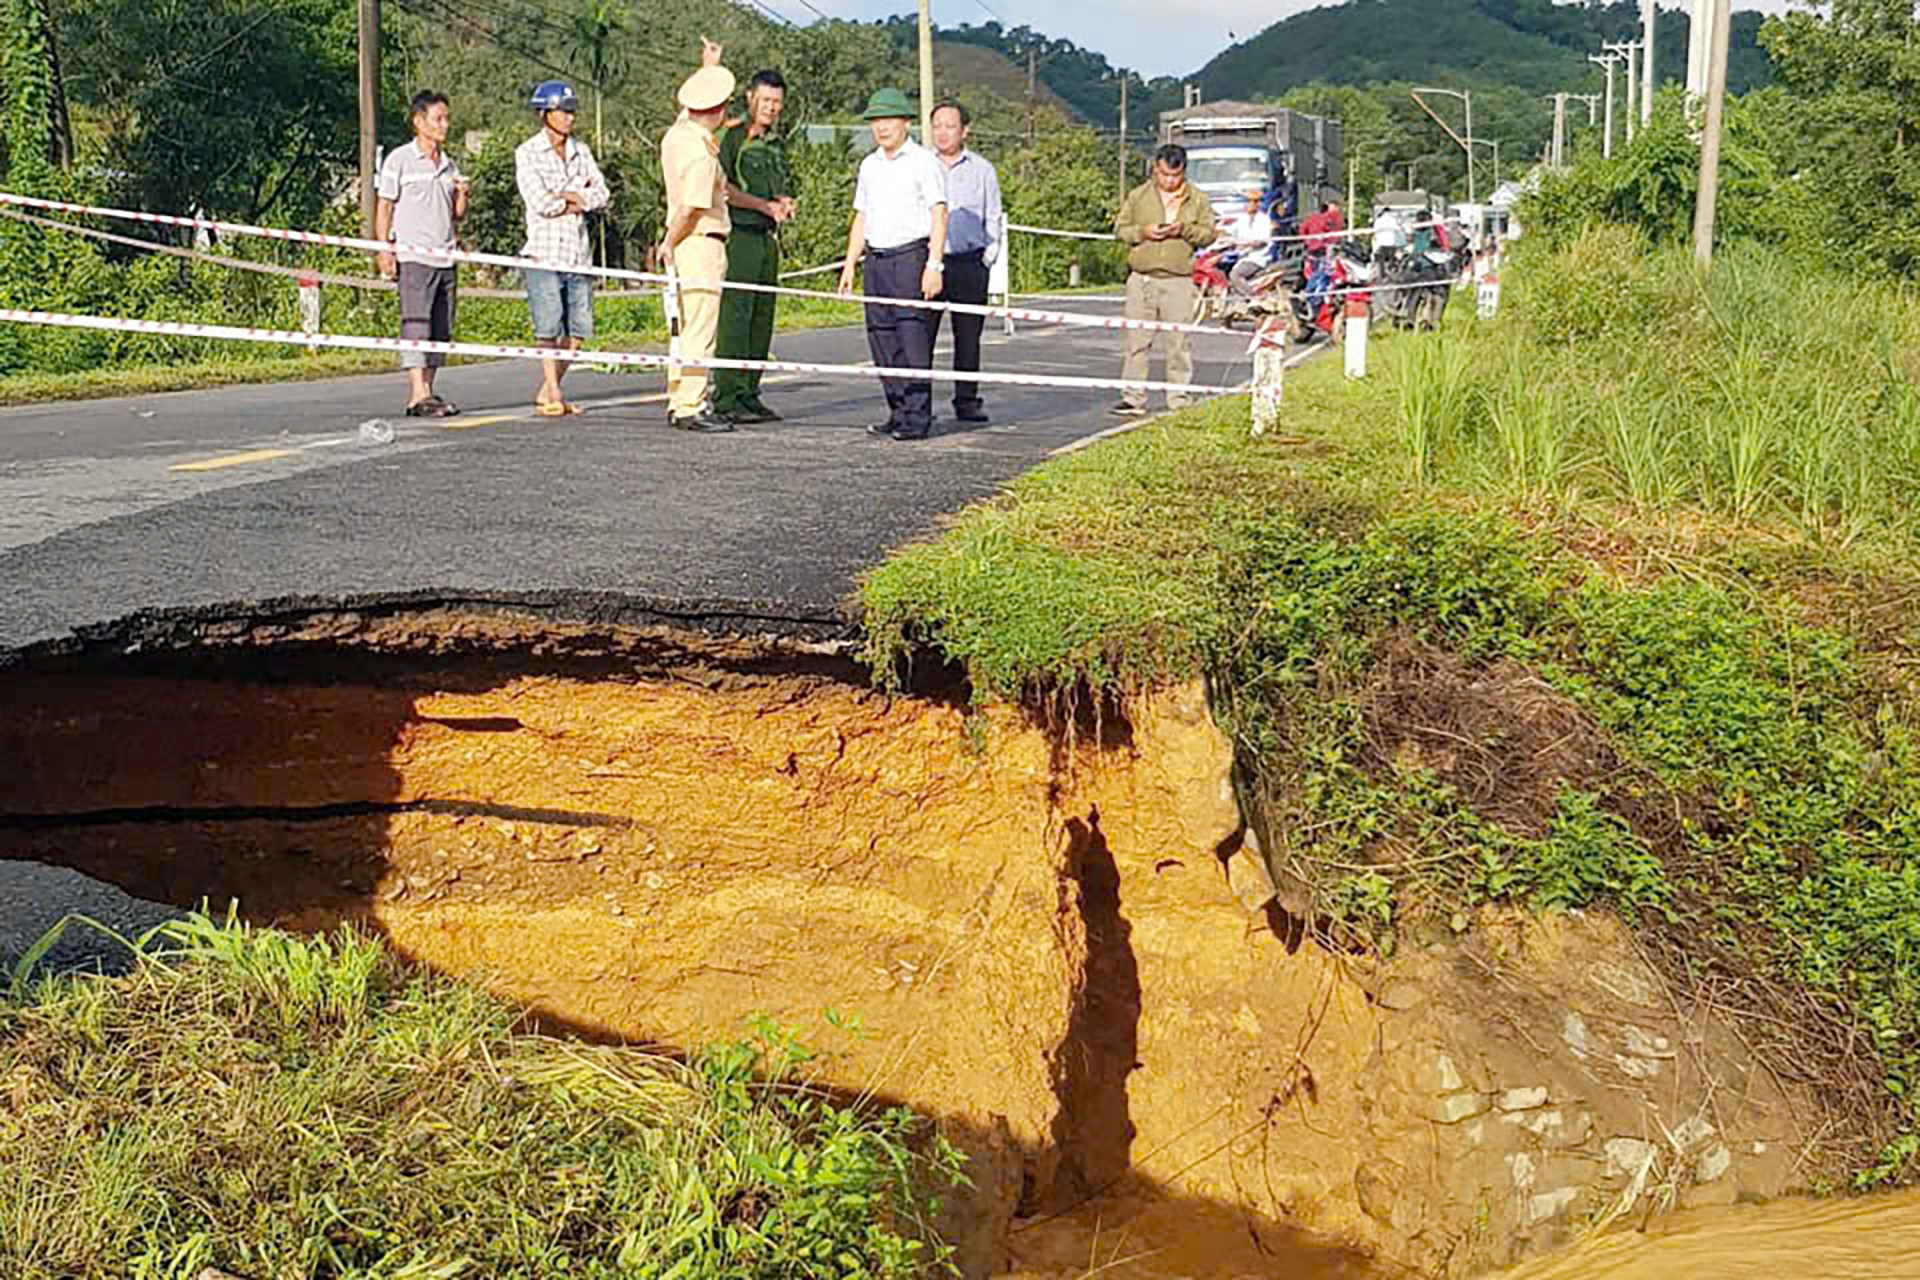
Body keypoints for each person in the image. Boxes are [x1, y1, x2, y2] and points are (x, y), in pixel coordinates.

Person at [837, 88, 948, 443]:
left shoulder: (923, 162)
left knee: (911, 335)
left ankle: (917, 416)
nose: (881, 128)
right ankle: (897, 410)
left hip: (910, 255)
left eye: (888, 120)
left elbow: (939, 213)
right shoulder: (869, 165)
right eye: (875, 121)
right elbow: (861, 216)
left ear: (905, 122)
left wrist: (934, 264)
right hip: (877, 258)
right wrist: (850, 264)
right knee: (881, 338)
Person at [515, 79, 609, 416]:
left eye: (572, 111)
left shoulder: (581, 152)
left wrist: (571, 197)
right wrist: (576, 196)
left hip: (577, 253)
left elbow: (602, 194)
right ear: (545, 113)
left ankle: (547, 388)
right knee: (549, 325)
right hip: (543, 251)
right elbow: (540, 202)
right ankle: (554, 391)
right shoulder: (527, 153)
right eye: (563, 110)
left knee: (580, 329)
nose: (570, 117)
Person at [374, 90, 469, 418]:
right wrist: (384, 248)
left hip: (446, 256)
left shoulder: (449, 163)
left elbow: (456, 214)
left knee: (441, 328)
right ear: (419, 121)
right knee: (417, 324)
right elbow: (384, 206)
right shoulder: (399, 160)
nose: (445, 125)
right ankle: (416, 393)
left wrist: (461, 195)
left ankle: (429, 390)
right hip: (414, 257)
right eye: (438, 118)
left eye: (446, 118)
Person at [661, 39, 737, 434]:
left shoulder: (679, 135)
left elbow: (686, 113)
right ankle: (691, 403)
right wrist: (670, 242)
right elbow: (692, 208)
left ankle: (680, 396)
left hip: (684, 240)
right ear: (722, 112)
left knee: (682, 323)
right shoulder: (702, 154)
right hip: (700, 239)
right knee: (700, 326)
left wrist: (708, 68)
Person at [711, 68, 794, 426]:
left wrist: (783, 202)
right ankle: (727, 396)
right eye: (766, 100)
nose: (771, 108)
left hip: (767, 238)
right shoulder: (731, 136)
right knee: (736, 318)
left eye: (777, 102)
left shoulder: (775, 143)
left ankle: (750, 393)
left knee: (762, 320)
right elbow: (722, 187)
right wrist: (763, 206)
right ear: (750, 98)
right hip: (739, 236)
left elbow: (776, 186)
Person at [1110, 144, 1215, 417]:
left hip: (1179, 279)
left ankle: (1178, 396)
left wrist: (1184, 230)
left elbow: (1209, 233)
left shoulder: (1198, 199)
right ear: (1155, 169)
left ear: (1183, 172)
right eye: (1164, 175)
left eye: (1175, 176)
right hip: (1142, 277)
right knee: (1137, 340)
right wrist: (1143, 232)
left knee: (1179, 342)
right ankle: (1133, 397)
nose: (1169, 181)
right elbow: (1120, 229)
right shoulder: (1138, 196)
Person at [927, 101, 1001, 425]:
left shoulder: (982, 170)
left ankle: (967, 400)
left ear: (965, 130)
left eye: (950, 126)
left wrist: (987, 258)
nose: (942, 133)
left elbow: (993, 217)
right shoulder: (921, 166)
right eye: (937, 126)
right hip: (929, 263)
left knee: (968, 338)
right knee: (921, 338)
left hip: (970, 263)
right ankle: (918, 404)